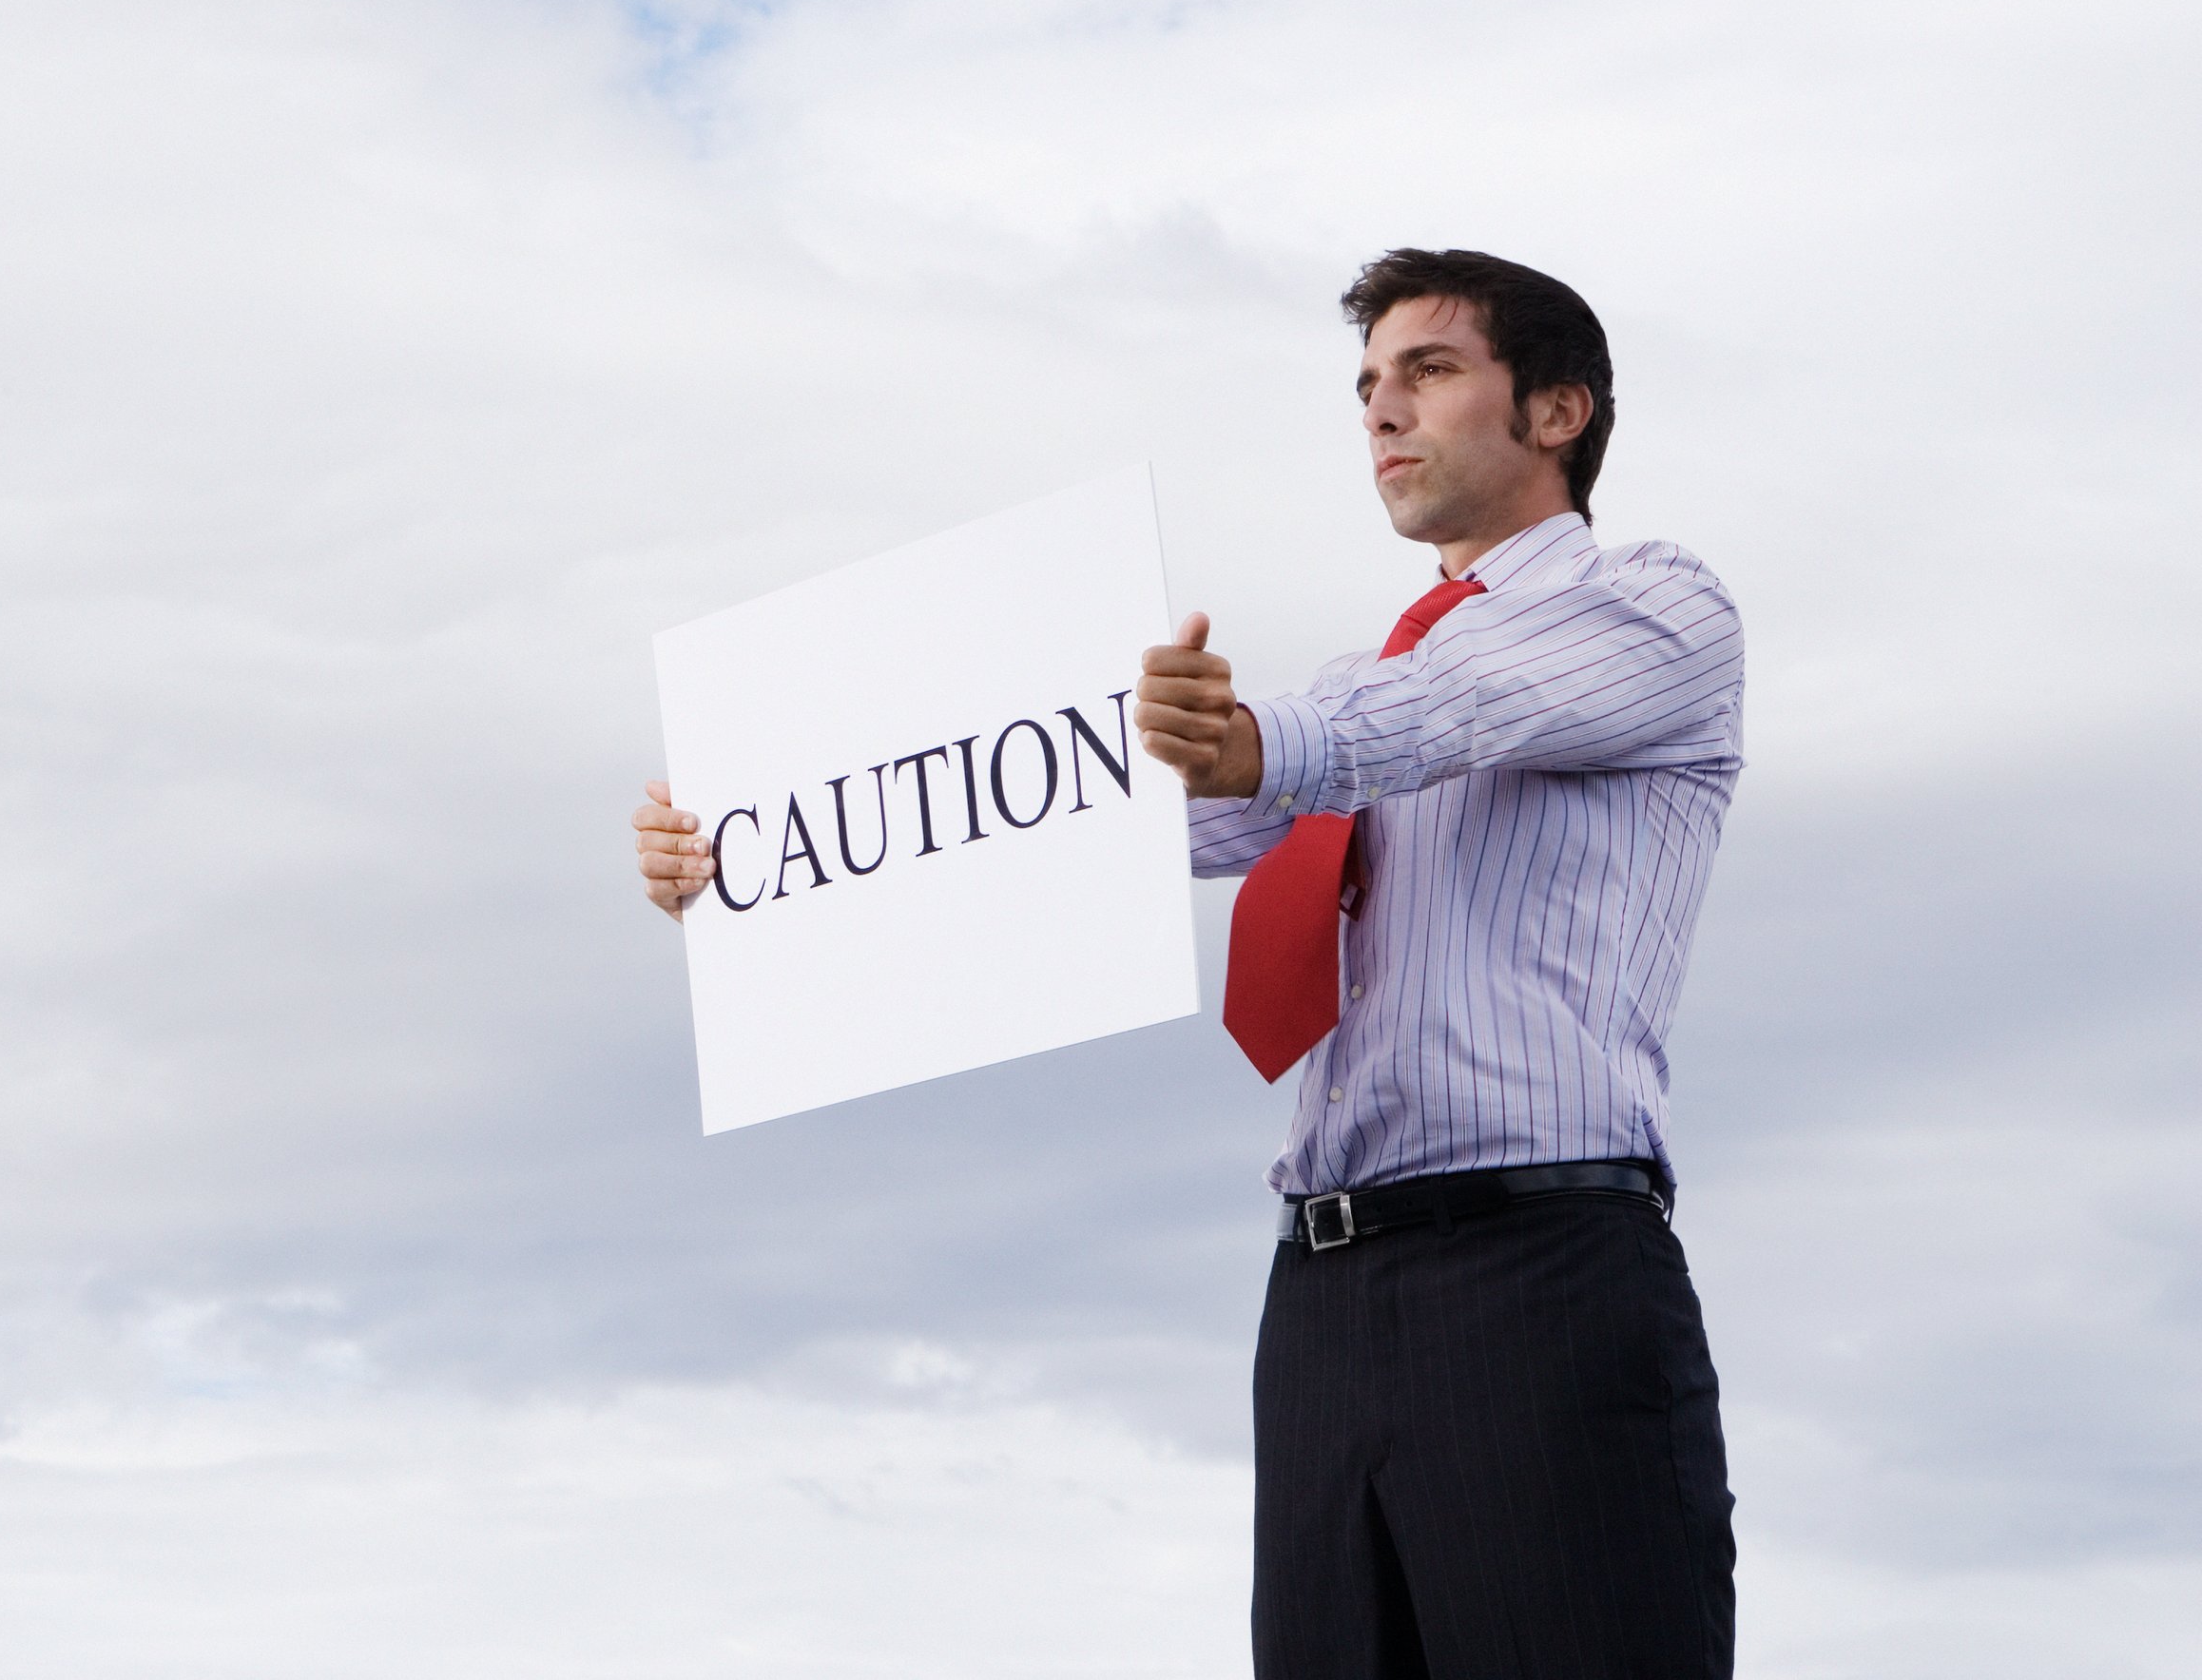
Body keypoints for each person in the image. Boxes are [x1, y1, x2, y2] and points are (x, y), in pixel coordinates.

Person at [631, 248, 1743, 1680]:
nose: (1381, 410)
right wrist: (754, 873)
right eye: (1366, 384)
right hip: (1325, 1302)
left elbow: (1447, 715)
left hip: (1538, 1275)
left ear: (1558, 411)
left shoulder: (1657, 609)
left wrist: (1256, 743)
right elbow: (1094, 837)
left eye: (1429, 370)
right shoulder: (1360, 686)